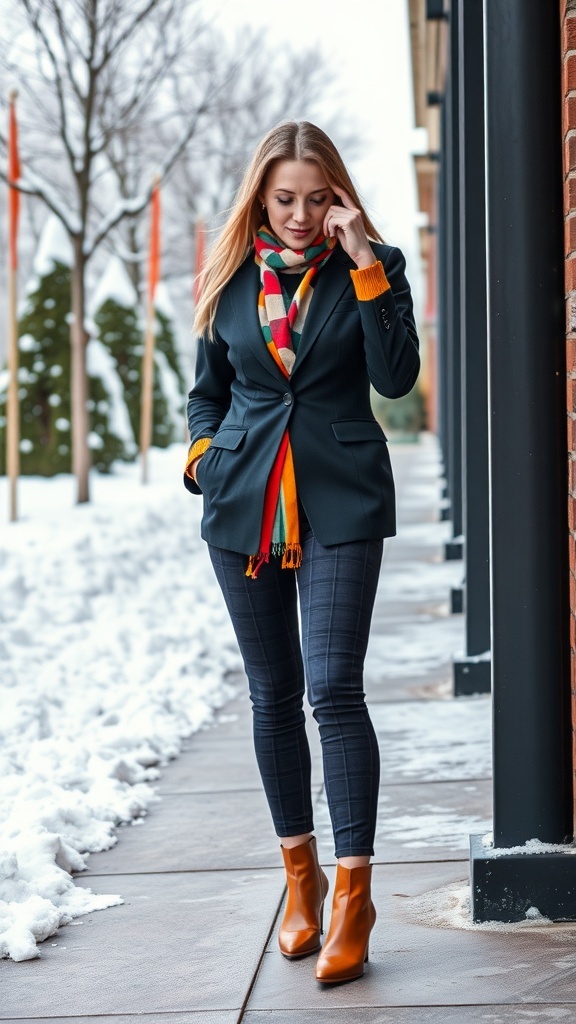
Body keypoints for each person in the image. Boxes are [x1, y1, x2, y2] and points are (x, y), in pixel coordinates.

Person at [184, 120, 420, 984]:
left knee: (332, 687)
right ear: (261, 196)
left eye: (317, 198)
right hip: (243, 505)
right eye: (285, 198)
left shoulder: (374, 267)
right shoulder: (230, 279)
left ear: (340, 196)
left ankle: (355, 896)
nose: (298, 214)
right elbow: (205, 394)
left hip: (341, 500)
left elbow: (396, 378)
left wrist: (363, 261)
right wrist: (206, 459)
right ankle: (301, 879)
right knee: (273, 695)